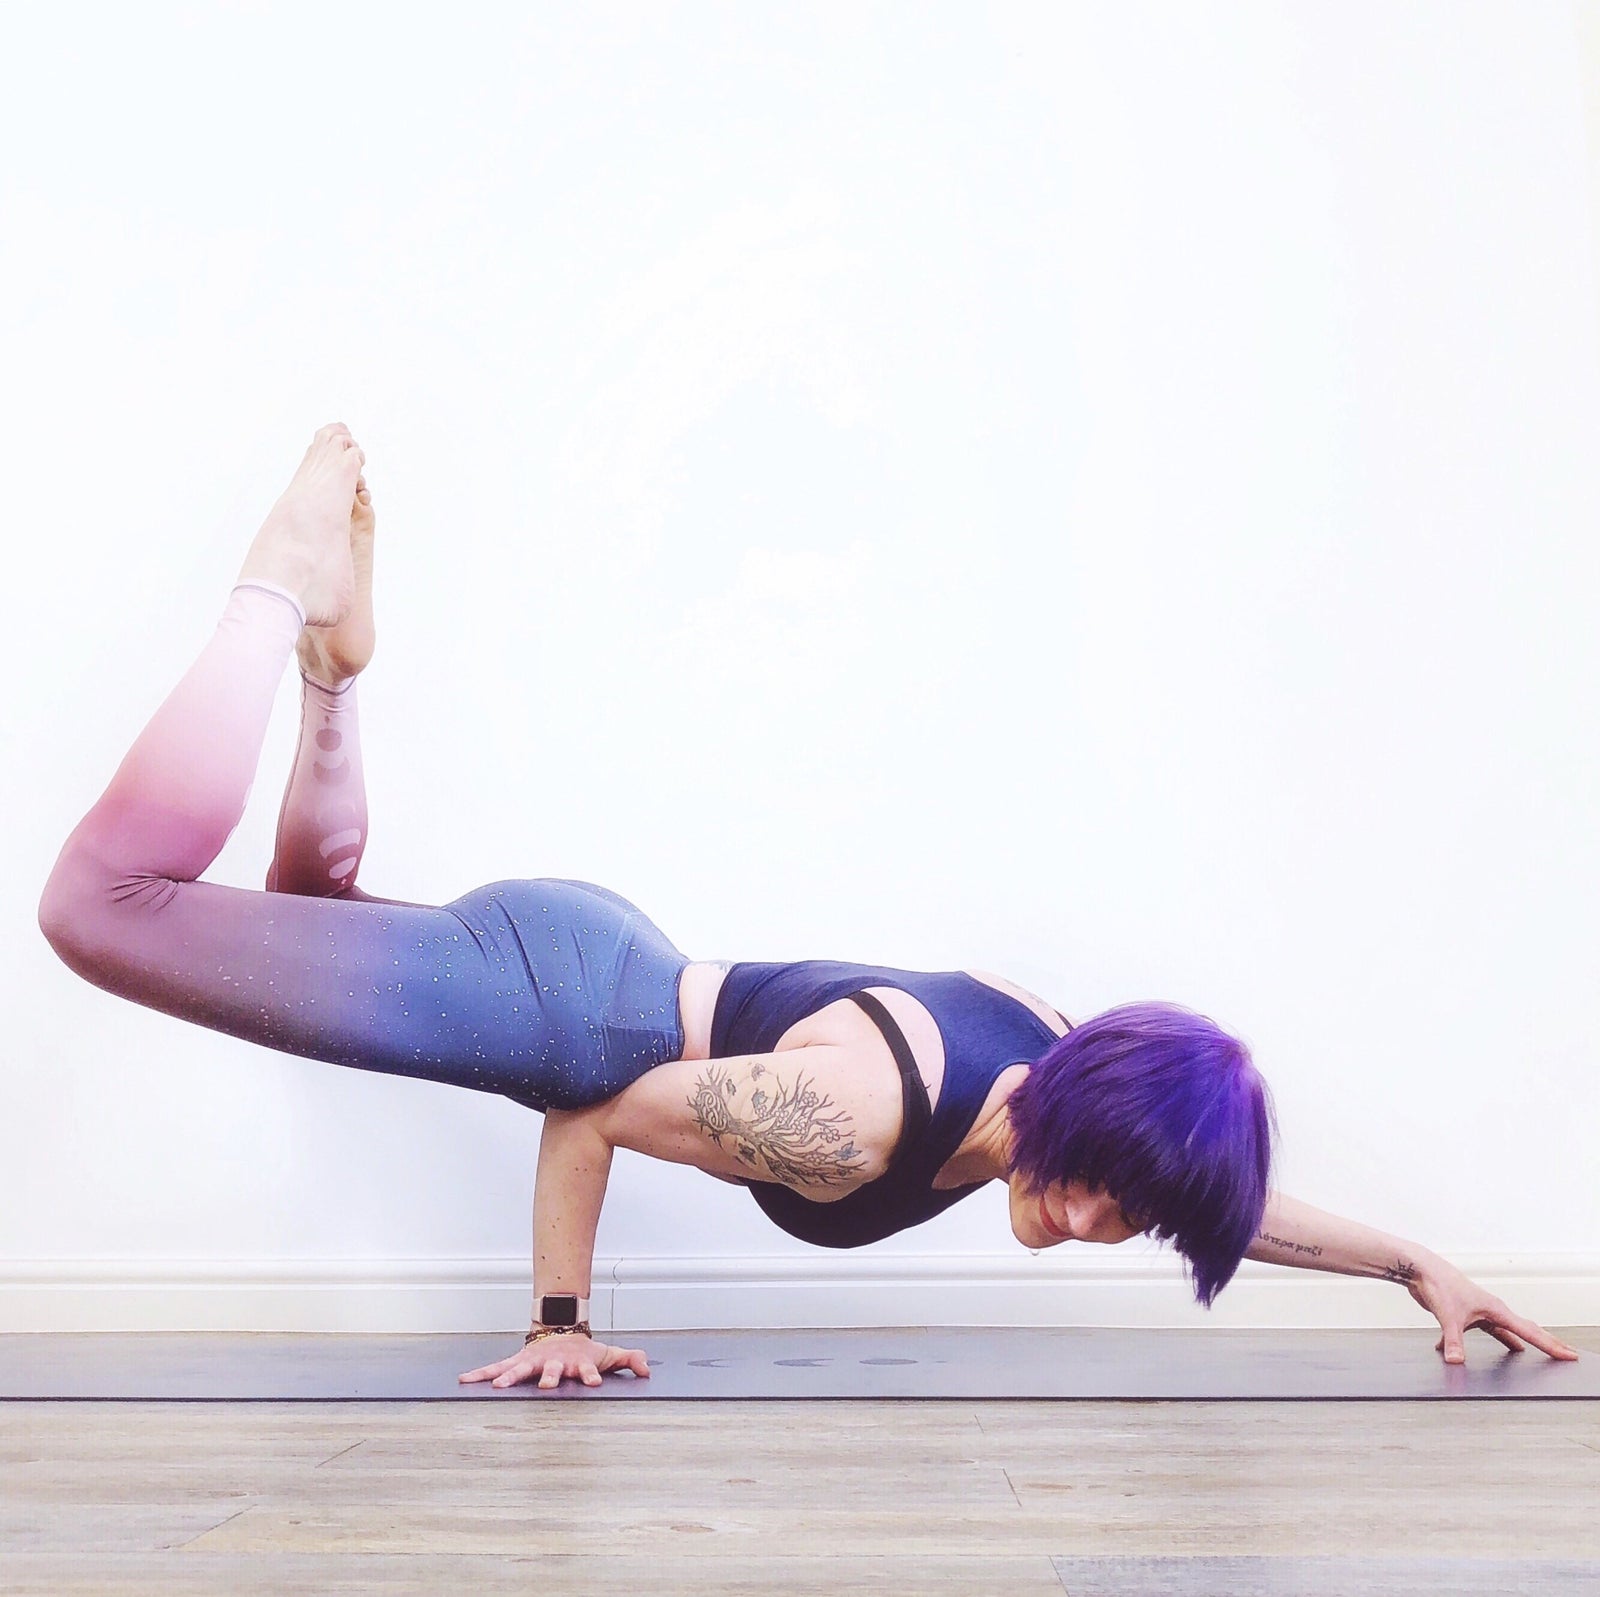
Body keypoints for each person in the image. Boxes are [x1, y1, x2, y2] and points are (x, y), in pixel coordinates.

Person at [37, 424, 1579, 1392]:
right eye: (1099, 1186)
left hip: (595, 958)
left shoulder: (1067, 1093)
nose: (1090, 1222)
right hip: (569, 1008)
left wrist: (1411, 1262)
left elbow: (1205, 1193)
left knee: (301, 918)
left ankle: (331, 665)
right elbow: (593, 1114)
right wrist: (561, 1318)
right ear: (1072, 1103)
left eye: (1124, 1209)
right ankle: (280, 577)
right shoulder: (851, 1118)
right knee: (105, 905)